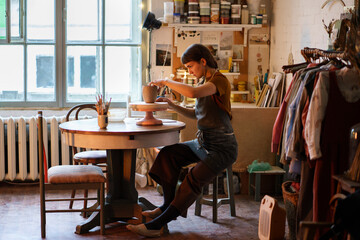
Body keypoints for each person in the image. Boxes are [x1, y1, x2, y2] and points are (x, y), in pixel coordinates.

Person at [126, 43, 238, 237]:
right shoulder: (204, 82)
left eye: (190, 66)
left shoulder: (220, 81)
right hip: (203, 143)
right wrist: (171, 104)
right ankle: (166, 208)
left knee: (192, 179)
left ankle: (157, 224)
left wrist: (167, 81)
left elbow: (193, 94)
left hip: (222, 149)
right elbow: (196, 113)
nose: (189, 71)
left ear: (203, 61)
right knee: (169, 155)